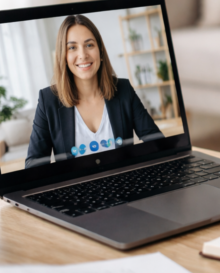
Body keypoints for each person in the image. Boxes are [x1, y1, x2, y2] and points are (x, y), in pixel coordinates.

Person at [26, 15, 162, 168]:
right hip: (75, 188)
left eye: (89, 45)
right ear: (63, 56)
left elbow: (157, 142)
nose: (83, 55)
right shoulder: (48, 100)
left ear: (101, 51)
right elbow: (33, 165)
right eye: (72, 47)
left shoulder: (123, 89)